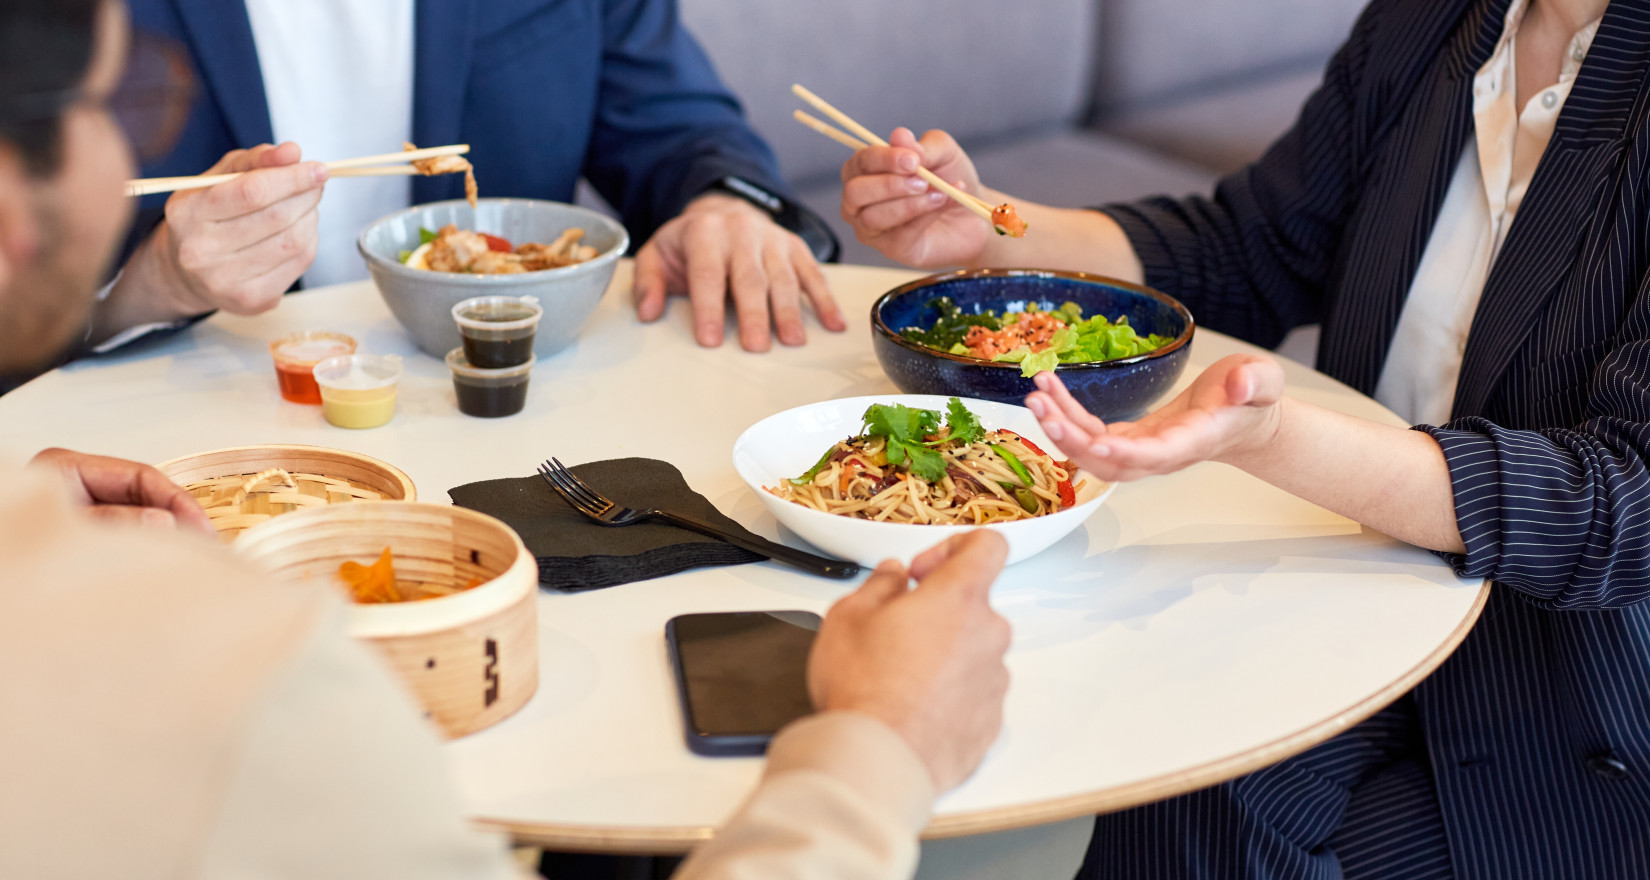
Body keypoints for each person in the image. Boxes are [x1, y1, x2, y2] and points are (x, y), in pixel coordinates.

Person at [0, 3, 1014, 877]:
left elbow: (678, 123)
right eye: (114, 103)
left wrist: (722, 203)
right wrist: (881, 744)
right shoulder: (243, 686)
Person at [838, 0, 1650, 877]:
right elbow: (1259, 244)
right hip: (1364, 584)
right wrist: (992, 227)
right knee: (1173, 758)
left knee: (1210, 818)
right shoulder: (1436, 22)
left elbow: (1625, 502)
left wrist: (1269, 439)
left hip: (1567, 696)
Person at [71, 0, 846, 373]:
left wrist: (723, 205)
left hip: (518, 421)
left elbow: (677, 128)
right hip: (202, 428)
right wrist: (150, 286)